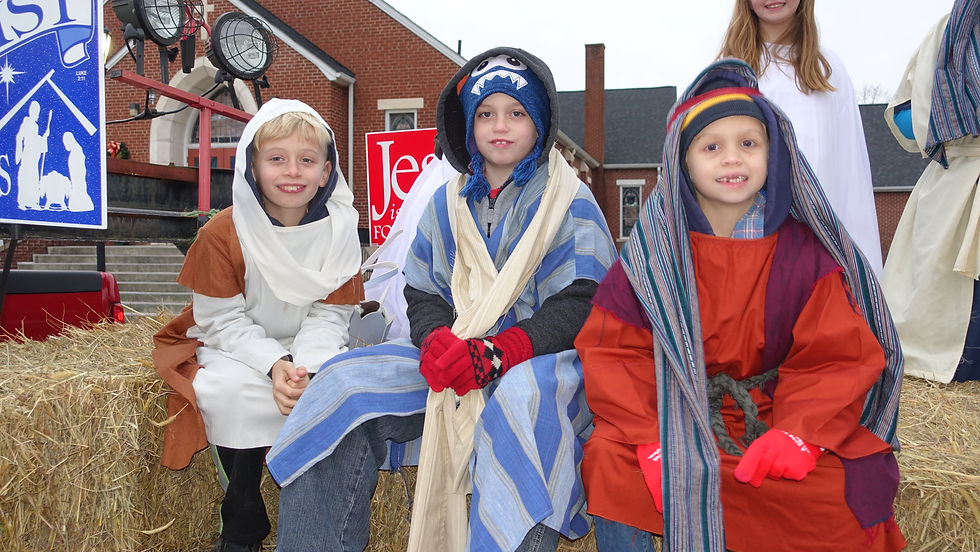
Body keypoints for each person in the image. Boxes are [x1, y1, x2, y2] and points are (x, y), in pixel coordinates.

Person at [267, 46, 617, 552]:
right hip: (456, 354)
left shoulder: (569, 200)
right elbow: (422, 287)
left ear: (540, 125)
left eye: (516, 113)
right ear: (467, 126)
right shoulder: (447, 201)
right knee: (343, 382)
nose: (501, 125)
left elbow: (581, 301)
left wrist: (501, 352)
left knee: (523, 402)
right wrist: (434, 342)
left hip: (540, 360)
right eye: (486, 113)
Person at [574, 59, 906, 551]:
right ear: (683, 162)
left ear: (774, 155)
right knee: (609, 460)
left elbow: (835, 356)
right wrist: (648, 436)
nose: (732, 159)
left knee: (844, 487)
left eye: (748, 143)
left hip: (769, 417)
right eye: (712, 147)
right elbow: (616, 354)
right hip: (674, 415)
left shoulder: (803, 255)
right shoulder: (651, 257)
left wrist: (798, 432)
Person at [152, 99, 363, 552]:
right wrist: (274, 365)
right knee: (230, 395)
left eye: (307, 160)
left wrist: (301, 369)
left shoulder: (341, 232)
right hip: (238, 349)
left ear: (326, 172)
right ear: (253, 165)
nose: (292, 172)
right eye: (277, 159)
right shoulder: (224, 232)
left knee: (333, 398)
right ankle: (243, 513)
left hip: (311, 350)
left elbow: (330, 316)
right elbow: (221, 320)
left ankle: (309, 516)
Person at [720, 0, 884, 276]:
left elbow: (850, 172)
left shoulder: (828, 70)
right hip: (747, 245)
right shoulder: (728, 72)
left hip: (818, 249)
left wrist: (862, 265)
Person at [882, 2, 980, 384]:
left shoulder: (948, 29)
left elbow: (907, 122)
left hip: (951, 180)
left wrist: (941, 116)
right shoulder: (947, 31)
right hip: (955, 180)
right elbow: (906, 120)